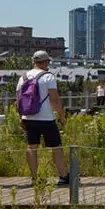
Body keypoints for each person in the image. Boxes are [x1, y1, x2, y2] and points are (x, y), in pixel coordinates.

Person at [16, 51, 69, 187]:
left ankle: (35, 177)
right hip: (46, 118)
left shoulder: (23, 77)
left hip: (28, 117)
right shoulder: (48, 77)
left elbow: (18, 100)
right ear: (46, 62)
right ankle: (63, 176)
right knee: (56, 146)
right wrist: (61, 116)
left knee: (31, 147)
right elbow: (54, 99)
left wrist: (21, 117)